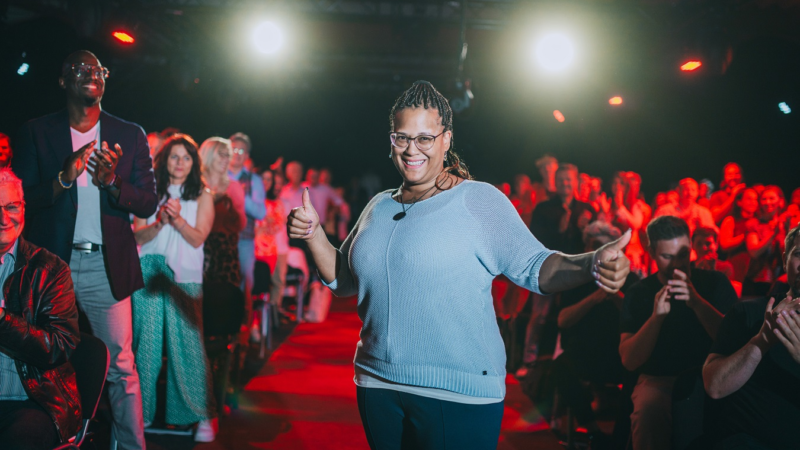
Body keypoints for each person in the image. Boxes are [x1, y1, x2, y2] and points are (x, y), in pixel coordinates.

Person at [286, 80, 632, 450]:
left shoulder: (477, 200)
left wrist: (591, 263)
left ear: (446, 139)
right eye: (401, 138)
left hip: (457, 392)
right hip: (377, 382)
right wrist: (313, 234)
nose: (411, 149)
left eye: (425, 138)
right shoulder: (378, 206)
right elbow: (344, 280)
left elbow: (536, 266)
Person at [12, 50, 157, 449]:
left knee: (121, 367)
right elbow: (20, 197)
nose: (91, 75)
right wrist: (63, 176)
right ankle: (47, 437)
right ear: (63, 81)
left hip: (104, 268)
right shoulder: (36, 132)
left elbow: (147, 202)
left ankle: (132, 446)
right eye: (80, 69)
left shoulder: (129, 134)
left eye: (98, 70)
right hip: (49, 266)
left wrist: (111, 182)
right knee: (40, 358)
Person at [618, 216, 737, 450]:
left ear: (691, 247)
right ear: (651, 252)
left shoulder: (715, 283)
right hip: (658, 380)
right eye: (667, 257)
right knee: (650, 411)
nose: (676, 265)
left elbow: (734, 340)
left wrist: (696, 302)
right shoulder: (639, 292)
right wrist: (656, 318)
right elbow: (629, 360)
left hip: (710, 376)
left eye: (683, 255)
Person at [131, 134, 218, 442]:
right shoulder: (148, 191)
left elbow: (198, 238)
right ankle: (139, 416)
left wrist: (176, 218)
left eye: (186, 157)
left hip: (186, 275)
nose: (179, 163)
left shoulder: (203, 194)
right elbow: (137, 238)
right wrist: (161, 222)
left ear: (194, 162)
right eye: (173, 157)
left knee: (189, 348)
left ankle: (200, 416)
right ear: (163, 160)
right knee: (147, 349)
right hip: (149, 270)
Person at [0, 168, 81, 449]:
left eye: (12, 206)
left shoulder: (49, 269)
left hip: (31, 401)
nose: (3, 218)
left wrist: (2, 320)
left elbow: (59, 347)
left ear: (23, 208)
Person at [701, 224, 800, 450]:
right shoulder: (747, 313)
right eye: (799, 254)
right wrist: (761, 341)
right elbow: (714, 386)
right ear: (785, 260)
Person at [554, 221, 639, 444]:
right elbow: (562, 320)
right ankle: (593, 432)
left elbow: (641, 321)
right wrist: (594, 298)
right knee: (560, 368)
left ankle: (620, 438)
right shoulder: (574, 279)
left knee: (641, 370)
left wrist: (616, 298)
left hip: (619, 354)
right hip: (584, 354)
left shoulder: (630, 279)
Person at [199, 137, 247, 305]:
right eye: (222, 154)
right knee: (200, 302)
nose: (227, 159)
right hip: (198, 249)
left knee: (224, 303)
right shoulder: (196, 184)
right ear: (209, 155)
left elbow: (241, 224)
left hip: (225, 251)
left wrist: (232, 208)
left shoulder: (233, 187)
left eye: (228, 155)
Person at [228, 133, 266, 332]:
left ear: (247, 155)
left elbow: (260, 212)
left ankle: (243, 331)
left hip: (244, 240)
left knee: (245, 282)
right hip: (217, 239)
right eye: (234, 149)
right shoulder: (218, 174)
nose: (237, 154)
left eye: (242, 150)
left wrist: (239, 194)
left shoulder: (254, 180)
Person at [255, 168, 290, 318]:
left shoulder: (278, 204)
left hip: (272, 249)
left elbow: (277, 225)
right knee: (255, 287)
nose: (268, 183)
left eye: (270, 180)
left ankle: (270, 317)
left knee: (273, 283)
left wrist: (263, 224)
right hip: (255, 248)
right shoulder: (254, 199)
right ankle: (254, 323)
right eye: (264, 179)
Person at [744, 186, 787, 296]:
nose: (768, 202)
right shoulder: (753, 224)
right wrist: (773, 233)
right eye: (764, 199)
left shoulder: (786, 224)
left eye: (771, 198)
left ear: (780, 201)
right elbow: (754, 252)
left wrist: (784, 229)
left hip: (781, 282)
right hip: (757, 281)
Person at [719, 188, 759, 284]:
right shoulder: (731, 220)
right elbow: (724, 245)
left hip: (755, 271)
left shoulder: (759, 221)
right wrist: (744, 236)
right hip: (736, 267)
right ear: (739, 202)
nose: (753, 202)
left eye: (755, 199)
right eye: (749, 199)